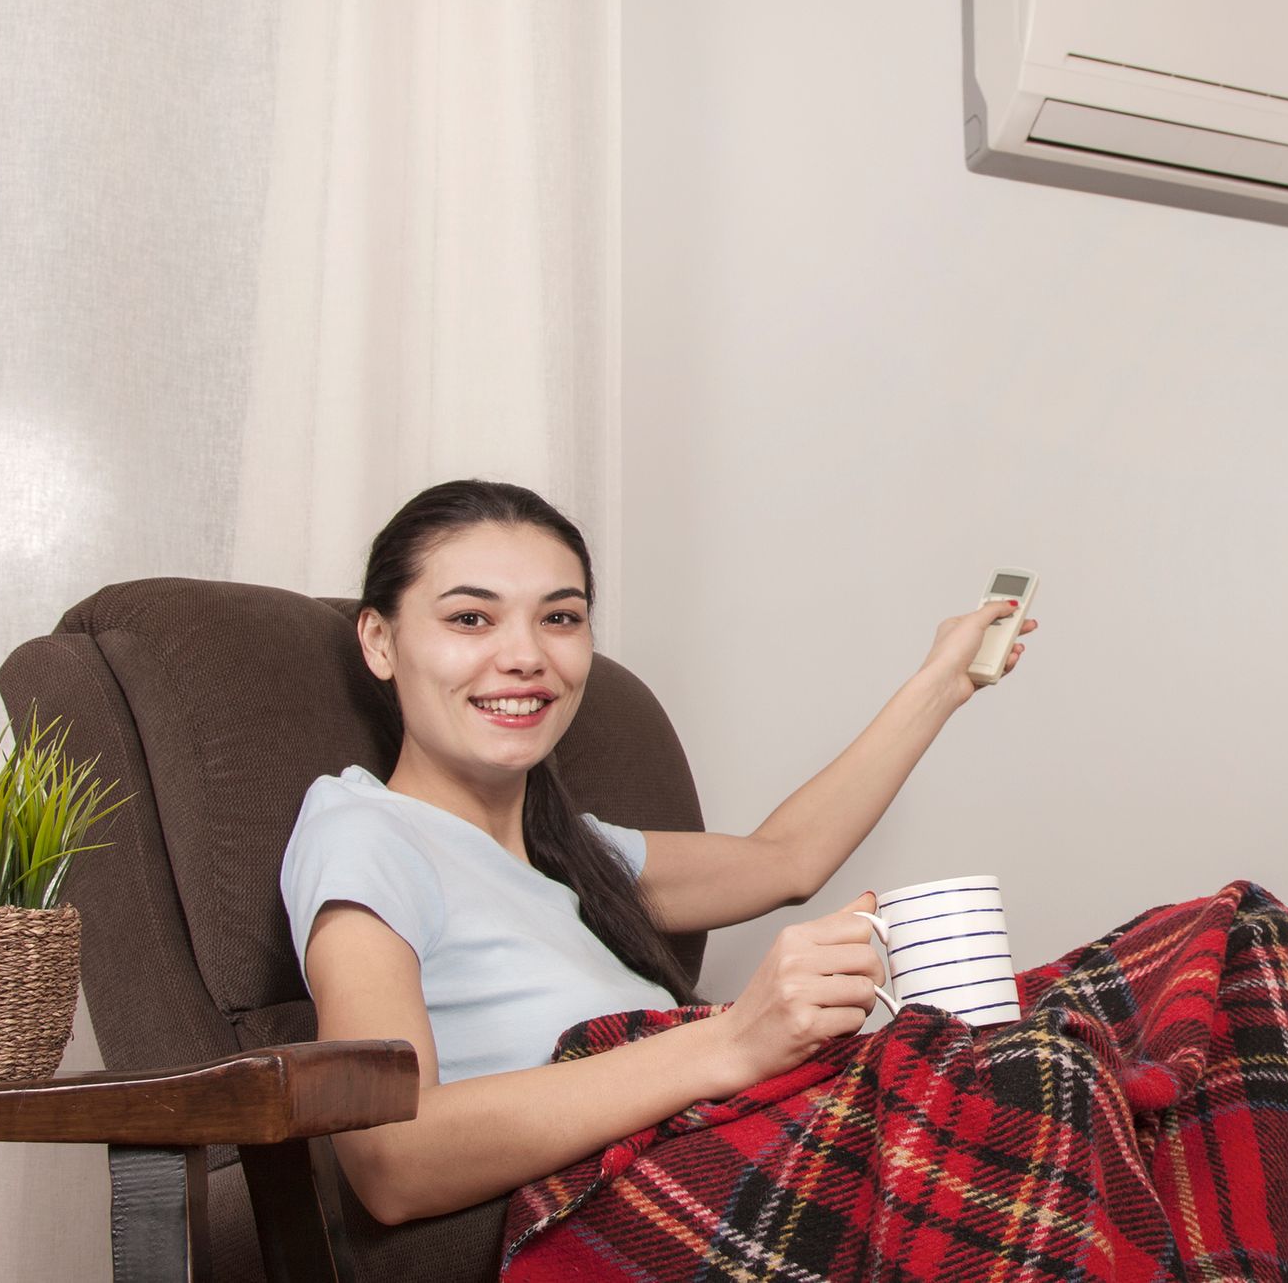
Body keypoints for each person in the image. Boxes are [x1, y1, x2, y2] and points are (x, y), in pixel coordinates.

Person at [281, 478, 1038, 1226]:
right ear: (380, 640)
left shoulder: (571, 849)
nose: (525, 656)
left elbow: (786, 858)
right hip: (659, 1206)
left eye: (560, 618)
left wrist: (942, 683)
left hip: (755, 1152)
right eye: (472, 618)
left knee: (1128, 990)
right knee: (1055, 1082)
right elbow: (390, 1163)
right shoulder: (366, 832)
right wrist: (736, 1040)